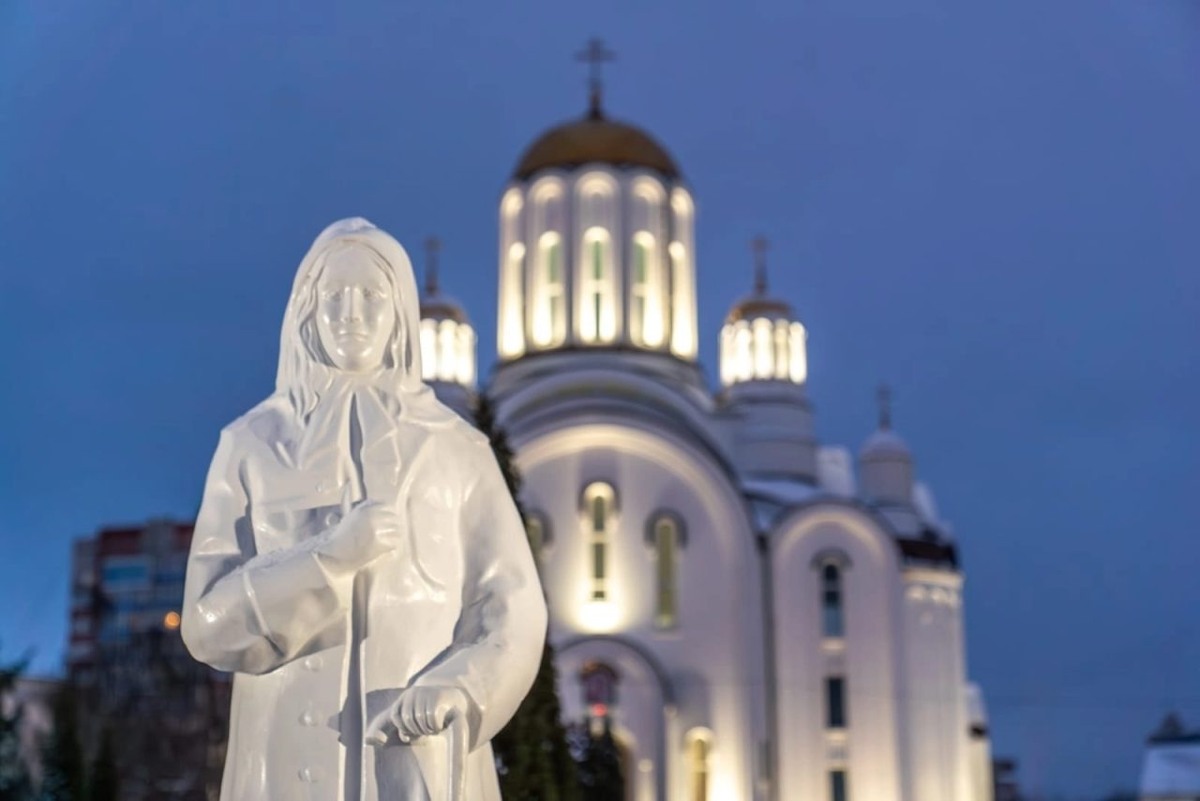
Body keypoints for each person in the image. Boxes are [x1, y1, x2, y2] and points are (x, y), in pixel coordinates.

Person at [181, 218, 547, 801]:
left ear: (399, 310)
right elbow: (206, 625)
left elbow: (513, 609)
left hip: (419, 756)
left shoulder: (456, 449)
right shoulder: (252, 443)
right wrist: (324, 558)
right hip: (284, 765)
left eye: (372, 297)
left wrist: (463, 688)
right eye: (334, 297)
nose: (351, 314)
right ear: (308, 309)